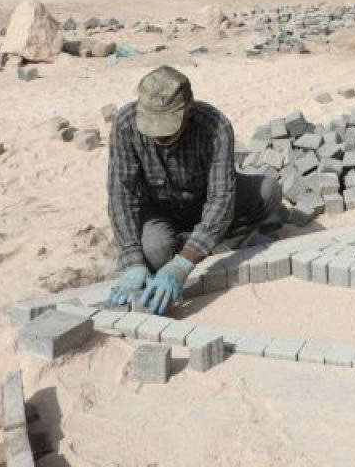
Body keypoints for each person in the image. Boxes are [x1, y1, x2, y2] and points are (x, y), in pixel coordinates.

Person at [107, 66, 285, 315]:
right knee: (155, 252)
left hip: (205, 203)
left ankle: (207, 244)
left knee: (269, 190)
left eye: (167, 129)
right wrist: (131, 260)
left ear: (188, 111)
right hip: (159, 209)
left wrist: (181, 265)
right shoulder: (126, 123)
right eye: (152, 128)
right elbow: (121, 195)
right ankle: (193, 244)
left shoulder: (216, 127)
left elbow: (221, 199)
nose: (159, 136)